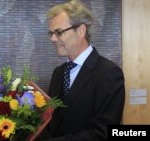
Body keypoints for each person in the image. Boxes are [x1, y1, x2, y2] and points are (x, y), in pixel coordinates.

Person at [39, 0, 125, 141]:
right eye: (51, 33)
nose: (53, 39)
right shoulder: (58, 73)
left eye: (59, 32)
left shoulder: (108, 73)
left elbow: (103, 133)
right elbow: (50, 122)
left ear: (81, 31)